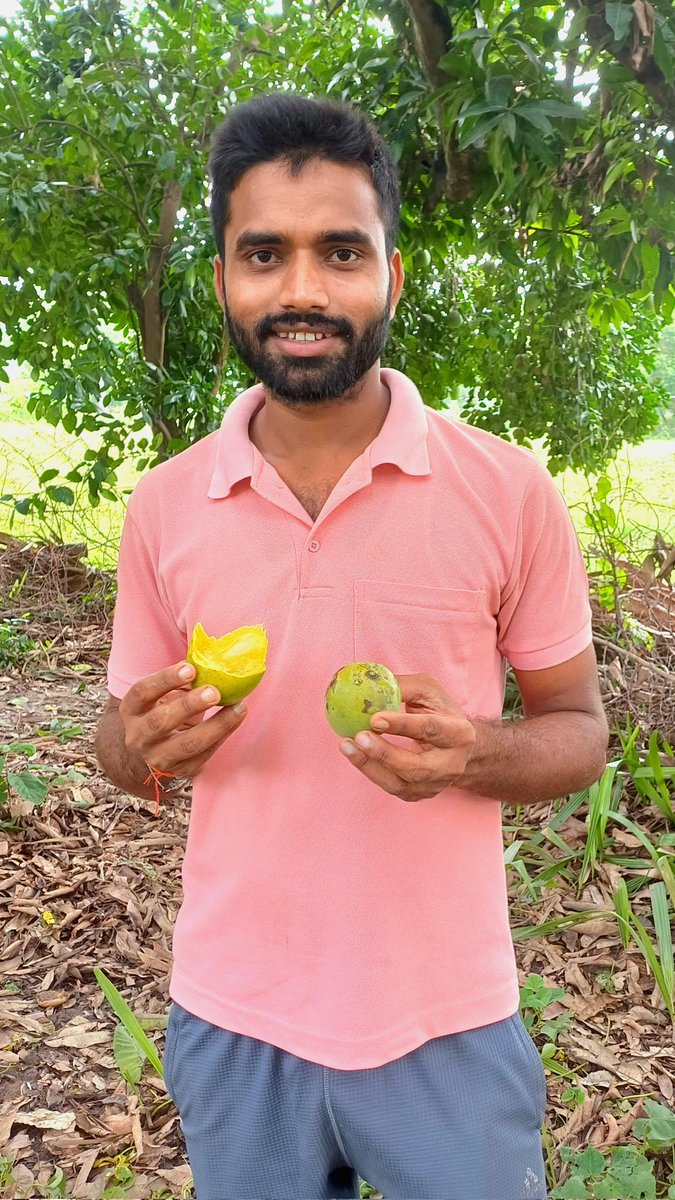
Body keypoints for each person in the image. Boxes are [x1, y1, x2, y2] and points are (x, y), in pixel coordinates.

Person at [95, 93, 609, 1200]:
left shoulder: (506, 491)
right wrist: (142, 747)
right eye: (263, 254)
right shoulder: (165, 505)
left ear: (392, 273)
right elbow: (122, 747)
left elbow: (579, 734)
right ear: (224, 280)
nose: (303, 291)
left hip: (449, 1023)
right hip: (234, 1017)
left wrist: (472, 753)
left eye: (341, 251)